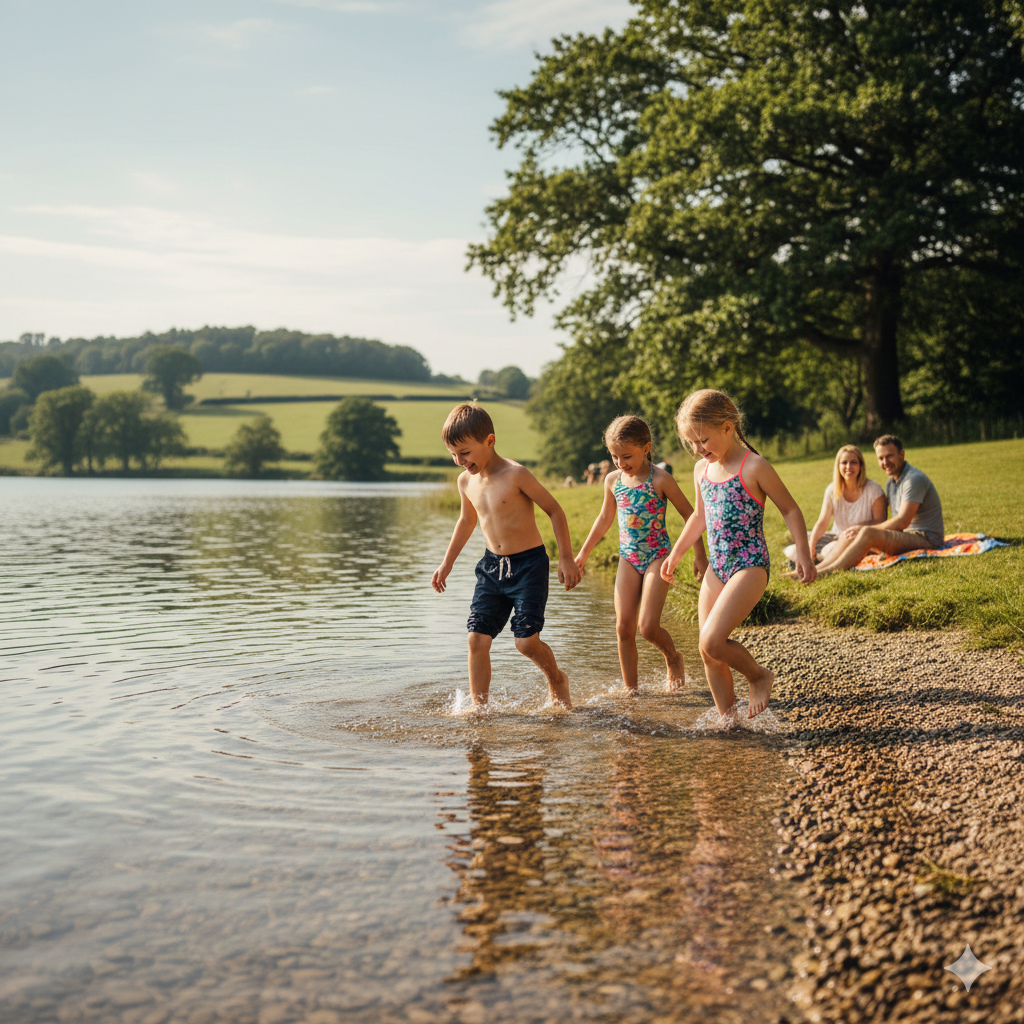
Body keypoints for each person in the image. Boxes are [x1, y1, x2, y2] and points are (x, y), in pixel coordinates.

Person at [661, 390, 816, 719]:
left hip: (749, 566)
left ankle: (759, 676)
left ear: (728, 428)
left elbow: (790, 509)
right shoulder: (701, 470)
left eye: (703, 441)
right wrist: (676, 554)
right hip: (717, 567)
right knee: (708, 651)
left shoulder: (754, 466)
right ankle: (728, 722)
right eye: (691, 444)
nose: (698, 450)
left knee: (714, 641)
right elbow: (699, 518)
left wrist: (803, 553)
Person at [431, 403, 582, 708]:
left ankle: (556, 678)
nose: (459, 461)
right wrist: (446, 563)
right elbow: (466, 521)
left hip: (529, 566)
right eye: (453, 454)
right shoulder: (465, 482)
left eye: (465, 453)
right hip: (491, 568)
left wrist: (566, 558)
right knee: (476, 639)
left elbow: (554, 510)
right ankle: (480, 709)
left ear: (489, 441)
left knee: (526, 643)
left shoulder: (515, 474)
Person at [574, 415, 709, 693]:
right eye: (614, 457)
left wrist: (699, 556)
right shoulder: (612, 480)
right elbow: (603, 519)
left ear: (646, 448)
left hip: (658, 557)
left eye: (627, 456)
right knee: (624, 627)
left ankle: (673, 658)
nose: (621, 464)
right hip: (628, 558)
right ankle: (631, 693)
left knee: (647, 627)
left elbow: (690, 515)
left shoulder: (660, 479)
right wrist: (583, 554)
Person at [798, 434, 944, 577]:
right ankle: (814, 570)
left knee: (865, 533)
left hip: (926, 539)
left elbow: (902, 521)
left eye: (889, 456)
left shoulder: (913, 480)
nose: (885, 462)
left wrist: (863, 529)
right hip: (907, 536)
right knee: (851, 533)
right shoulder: (891, 483)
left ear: (902, 454)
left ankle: (825, 572)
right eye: (881, 458)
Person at [787, 445, 886, 564]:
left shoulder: (874, 490)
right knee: (795, 551)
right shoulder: (832, 490)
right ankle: (818, 556)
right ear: (838, 466)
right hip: (836, 537)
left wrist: (859, 528)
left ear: (861, 465)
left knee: (829, 551)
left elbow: (881, 521)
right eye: (844, 462)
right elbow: (823, 522)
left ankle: (824, 560)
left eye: (853, 462)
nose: (848, 467)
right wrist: (811, 546)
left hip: (863, 539)